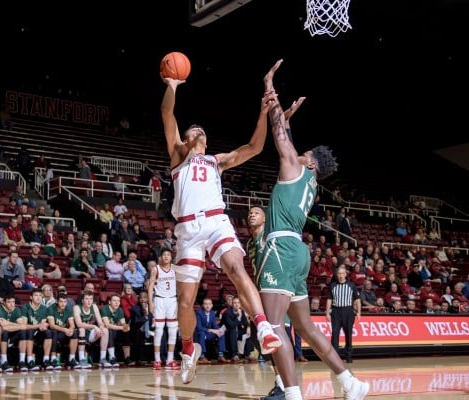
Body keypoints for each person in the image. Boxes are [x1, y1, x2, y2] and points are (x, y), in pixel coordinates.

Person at [252, 60, 369, 400]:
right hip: (299, 252)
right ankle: (351, 383)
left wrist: (269, 86)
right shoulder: (311, 184)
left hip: (282, 250)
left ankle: (291, 394)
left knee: (272, 325)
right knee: (304, 327)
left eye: (303, 153)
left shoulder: (294, 166)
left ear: (312, 161)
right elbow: (285, 137)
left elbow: (277, 134)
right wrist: (287, 120)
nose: (297, 153)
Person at [160, 58, 281, 384]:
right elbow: (167, 114)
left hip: (216, 222)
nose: (198, 130)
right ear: (186, 140)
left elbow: (255, 147)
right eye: (193, 129)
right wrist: (172, 86)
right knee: (184, 301)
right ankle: (188, 349)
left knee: (237, 268)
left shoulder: (217, 161)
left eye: (201, 130)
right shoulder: (178, 157)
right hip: (187, 230)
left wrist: (262, 113)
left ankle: (263, 326)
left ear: (205, 141)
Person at [147, 247, 179, 370]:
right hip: (159, 300)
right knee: (159, 330)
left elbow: (181, 286)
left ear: (171, 258)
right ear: (160, 257)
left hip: (172, 300)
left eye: (168, 255)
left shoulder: (175, 269)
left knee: (172, 330)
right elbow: (150, 287)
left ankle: (170, 360)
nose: (166, 256)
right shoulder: (156, 269)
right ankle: (157, 360)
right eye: (164, 255)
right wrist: (151, 302)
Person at [326, 266, 362, 363]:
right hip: (336, 311)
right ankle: (335, 357)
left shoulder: (351, 285)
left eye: (343, 273)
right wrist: (327, 312)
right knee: (335, 334)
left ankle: (349, 356)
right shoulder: (333, 285)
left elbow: (357, 299)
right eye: (339, 273)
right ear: (337, 275)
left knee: (348, 334)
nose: (341, 275)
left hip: (348, 311)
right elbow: (329, 299)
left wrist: (359, 312)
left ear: (345, 274)